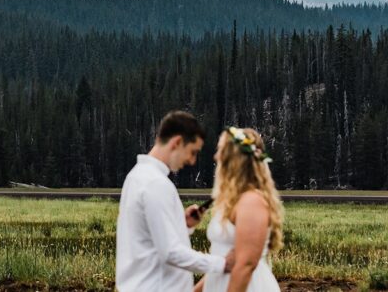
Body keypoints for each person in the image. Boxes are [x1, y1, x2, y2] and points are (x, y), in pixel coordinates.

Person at [116, 111, 234, 291]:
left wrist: (183, 225)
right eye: (192, 152)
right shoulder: (155, 184)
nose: (192, 161)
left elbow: (149, 240)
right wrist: (221, 264)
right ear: (177, 142)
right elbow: (170, 252)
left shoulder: (136, 176)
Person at [194, 127, 284, 292]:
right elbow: (225, 261)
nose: (216, 156)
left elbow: (246, 266)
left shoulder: (252, 202)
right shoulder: (233, 201)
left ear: (233, 158)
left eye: (220, 150)